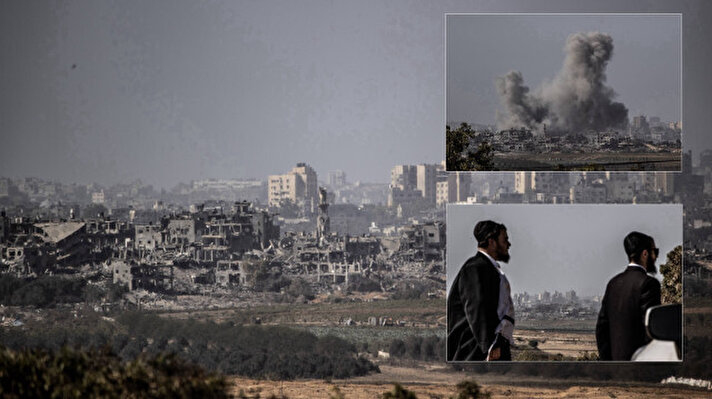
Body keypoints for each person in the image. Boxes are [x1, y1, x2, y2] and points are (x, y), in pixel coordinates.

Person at [447, 220, 514, 361]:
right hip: (474, 350)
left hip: (490, 346)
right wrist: (489, 345)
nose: (508, 244)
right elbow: (477, 309)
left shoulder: (487, 268)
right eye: (505, 240)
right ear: (492, 242)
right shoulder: (475, 268)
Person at [596, 231, 661, 360]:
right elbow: (651, 329)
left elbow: (601, 329)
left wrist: (608, 362)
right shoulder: (649, 284)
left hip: (615, 366)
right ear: (645, 254)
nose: (656, 257)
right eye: (655, 252)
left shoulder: (613, 283)